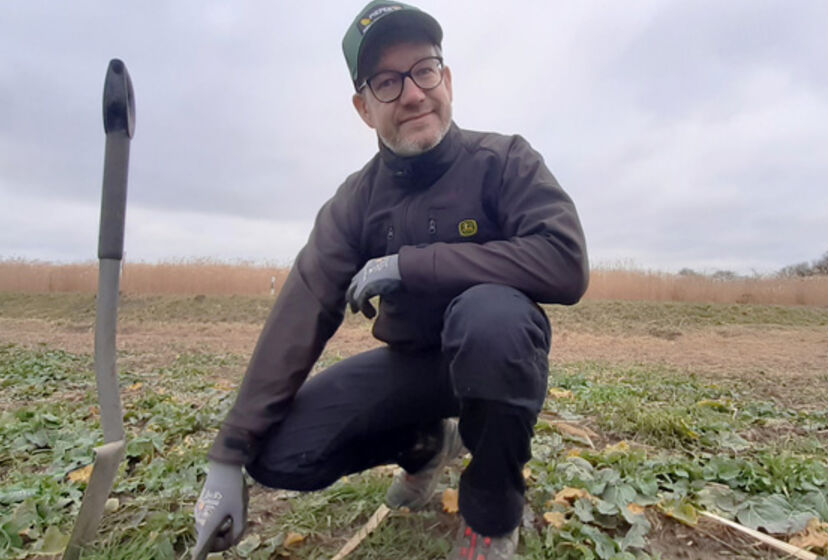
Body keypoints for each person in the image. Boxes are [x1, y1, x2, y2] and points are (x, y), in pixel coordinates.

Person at [193, 2, 588, 558]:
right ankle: (427, 445)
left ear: (446, 78)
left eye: (424, 70)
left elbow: (565, 262)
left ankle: (492, 512)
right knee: (279, 452)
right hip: (412, 370)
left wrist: (412, 264)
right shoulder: (356, 200)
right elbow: (305, 303)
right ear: (363, 107)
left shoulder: (505, 161)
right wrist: (228, 453)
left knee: (491, 318)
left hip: (496, 355)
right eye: (386, 81)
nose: (412, 93)